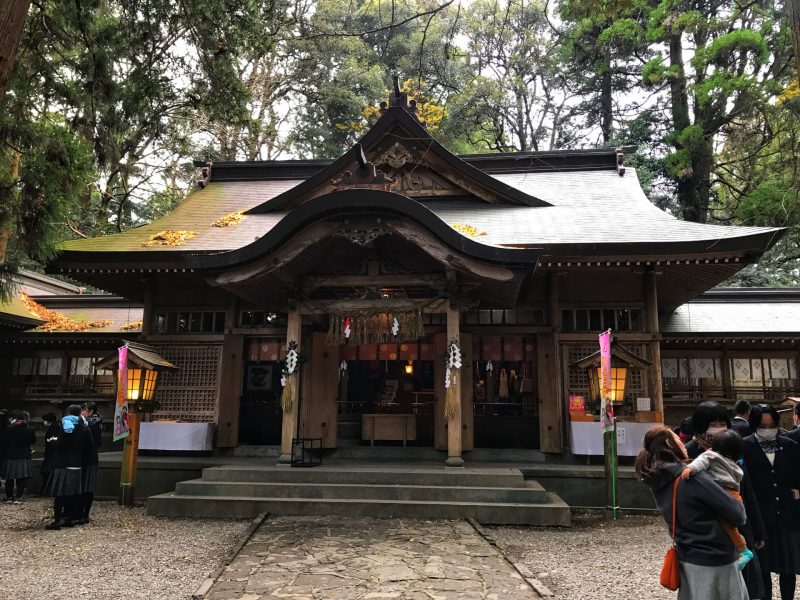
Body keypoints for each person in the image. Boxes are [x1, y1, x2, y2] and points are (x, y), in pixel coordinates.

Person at [637, 426, 748, 599]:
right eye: (679, 440)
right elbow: (738, 515)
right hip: (716, 559)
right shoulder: (692, 478)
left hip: (687, 556)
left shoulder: (657, 478)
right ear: (669, 444)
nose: (684, 444)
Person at [685, 400, 767, 599]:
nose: (719, 428)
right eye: (713, 424)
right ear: (700, 427)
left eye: (723, 422)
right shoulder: (688, 453)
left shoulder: (732, 447)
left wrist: (758, 530)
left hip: (740, 524)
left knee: (750, 585)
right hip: (706, 533)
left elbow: (748, 491)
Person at [743, 404, 800, 600]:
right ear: (754, 425)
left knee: (789, 566)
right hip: (760, 516)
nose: (768, 429)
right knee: (763, 568)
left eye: (771, 424)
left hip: (788, 515)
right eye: (762, 425)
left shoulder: (790, 445)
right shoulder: (745, 446)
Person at [681, 429, 753, 569]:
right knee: (730, 524)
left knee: (726, 523)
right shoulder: (735, 463)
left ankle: (744, 551)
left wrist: (690, 469)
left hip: (724, 492)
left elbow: (701, 461)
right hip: (734, 493)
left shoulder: (712, 455)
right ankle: (739, 541)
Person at [44, 404, 93, 530]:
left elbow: (60, 445)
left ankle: (57, 521)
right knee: (73, 494)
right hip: (77, 464)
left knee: (60, 494)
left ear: (68, 413)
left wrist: (53, 441)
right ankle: (71, 519)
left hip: (63, 463)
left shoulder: (64, 426)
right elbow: (89, 446)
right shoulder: (85, 427)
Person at [1, 410, 35, 503]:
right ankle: (18, 497)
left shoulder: (8, 428)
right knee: (21, 478)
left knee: (9, 478)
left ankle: (9, 497)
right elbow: (32, 440)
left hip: (10, 455)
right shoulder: (29, 428)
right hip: (24, 455)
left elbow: (4, 441)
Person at [80, 402, 102, 523]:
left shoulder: (93, 424)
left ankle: (85, 513)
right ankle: (80, 512)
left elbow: (96, 442)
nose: (82, 412)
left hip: (89, 457)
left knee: (87, 487)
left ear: (91, 412)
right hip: (86, 457)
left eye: (84, 410)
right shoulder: (91, 423)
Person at [39, 412, 59, 491]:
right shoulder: (54, 427)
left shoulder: (53, 428)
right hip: (51, 454)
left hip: (51, 454)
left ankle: (47, 489)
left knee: (48, 472)